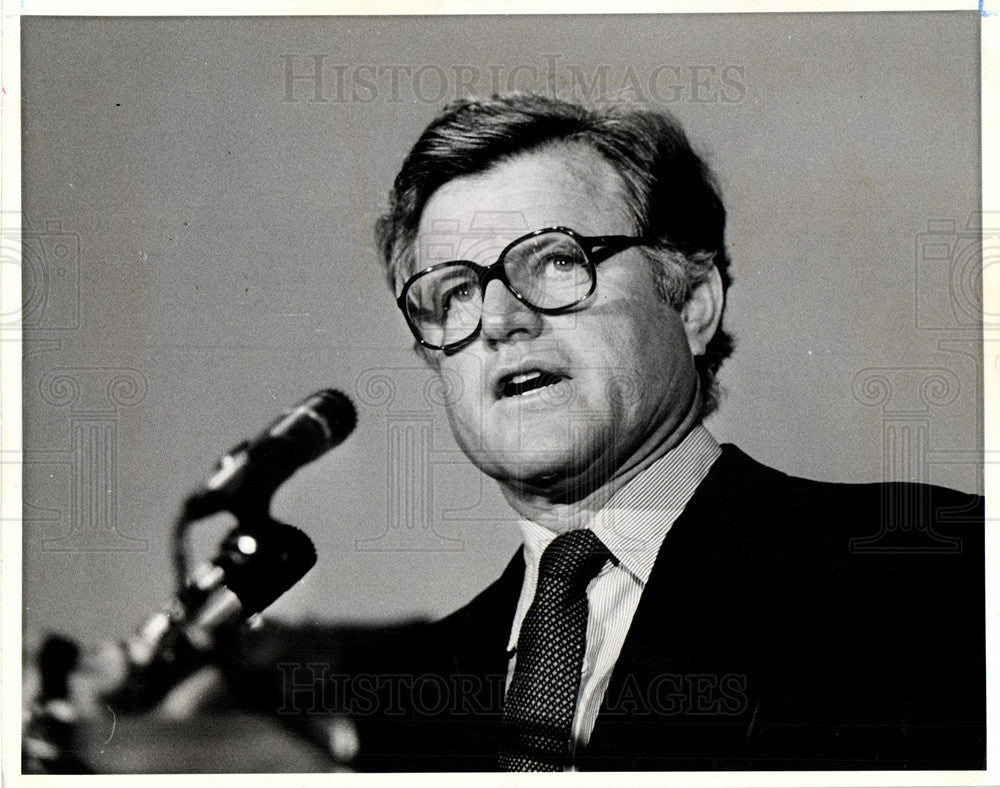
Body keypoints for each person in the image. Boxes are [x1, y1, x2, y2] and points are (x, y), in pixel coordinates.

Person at [176, 93, 988, 772]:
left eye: (556, 261)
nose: (498, 317)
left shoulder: (938, 571)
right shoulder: (399, 712)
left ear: (693, 303)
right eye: (452, 292)